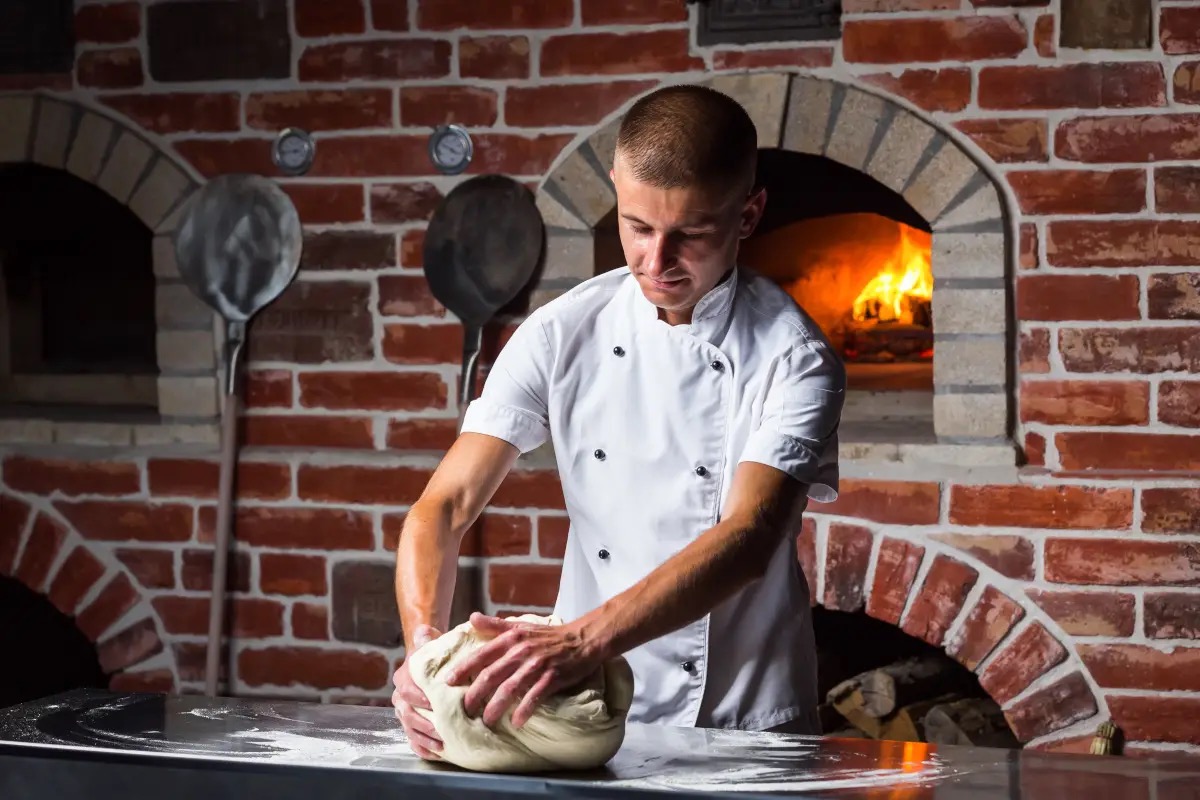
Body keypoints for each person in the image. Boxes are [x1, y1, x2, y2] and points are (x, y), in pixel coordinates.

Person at [391, 83, 845, 760]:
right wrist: (425, 654)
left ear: (748, 216)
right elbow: (446, 504)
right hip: (585, 706)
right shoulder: (564, 330)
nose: (655, 263)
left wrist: (581, 639)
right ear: (615, 188)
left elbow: (750, 535)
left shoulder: (793, 356)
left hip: (742, 718)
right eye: (637, 226)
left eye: (689, 234)